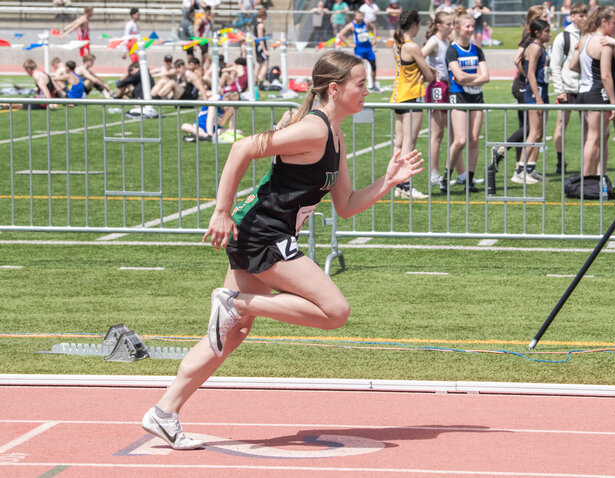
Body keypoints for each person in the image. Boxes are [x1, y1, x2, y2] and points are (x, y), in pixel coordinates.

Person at [140, 50, 423, 450]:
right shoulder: (314, 130)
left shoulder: (336, 136)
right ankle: (241, 302)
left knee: (230, 332)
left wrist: (388, 181)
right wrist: (221, 211)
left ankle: (164, 411)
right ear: (335, 88)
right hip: (262, 233)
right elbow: (242, 149)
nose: (367, 90)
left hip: (262, 234)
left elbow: (346, 205)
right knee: (334, 311)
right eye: (361, 84)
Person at [572, 5, 615, 195]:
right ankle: (591, 181)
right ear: (603, 21)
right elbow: (606, 76)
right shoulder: (604, 43)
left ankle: (597, 178)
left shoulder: (585, 39)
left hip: (584, 91)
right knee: (602, 138)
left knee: (597, 138)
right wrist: (613, 102)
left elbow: (573, 66)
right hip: (601, 92)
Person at [489, 6, 546, 185]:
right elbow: (517, 59)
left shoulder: (538, 39)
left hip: (530, 85)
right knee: (530, 128)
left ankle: (526, 167)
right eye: (544, 16)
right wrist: (527, 75)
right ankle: (506, 153)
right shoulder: (529, 38)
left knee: (532, 128)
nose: (547, 18)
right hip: (523, 86)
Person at [390, 9, 436, 200]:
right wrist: (427, 70)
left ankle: (397, 183)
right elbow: (430, 75)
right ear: (415, 25)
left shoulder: (397, 44)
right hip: (411, 97)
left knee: (399, 144)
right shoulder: (412, 46)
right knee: (409, 143)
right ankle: (406, 185)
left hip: (398, 96)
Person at [442, 10, 490, 193]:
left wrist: (471, 78)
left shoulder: (477, 50)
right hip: (458, 96)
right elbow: (459, 77)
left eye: (472, 26)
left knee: (474, 140)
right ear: (457, 28)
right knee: (460, 140)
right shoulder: (452, 50)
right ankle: (447, 176)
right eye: (467, 26)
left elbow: (487, 77)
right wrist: (476, 76)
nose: (471, 29)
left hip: (476, 97)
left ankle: (469, 180)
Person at [550, 1, 588, 175]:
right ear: (572, 16)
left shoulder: (590, 35)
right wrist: (559, 89)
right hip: (567, 88)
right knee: (561, 125)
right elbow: (555, 65)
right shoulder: (563, 37)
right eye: (580, 15)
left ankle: (587, 162)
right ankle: (559, 161)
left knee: (588, 127)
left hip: (585, 89)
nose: (584, 18)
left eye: (586, 15)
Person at [515, 19, 551, 184]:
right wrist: (537, 97)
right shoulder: (534, 48)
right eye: (547, 32)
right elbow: (530, 74)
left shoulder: (540, 47)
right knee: (534, 132)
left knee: (540, 132)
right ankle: (519, 171)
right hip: (535, 94)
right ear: (537, 32)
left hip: (542, 91)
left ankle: (530, 168)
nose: (549, 35)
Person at [422, 11, 452, 188]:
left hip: (448, 87)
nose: (451, 26)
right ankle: (434, 173)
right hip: (438, 88)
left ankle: (461, 173)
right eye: (448, 24)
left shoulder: (446, 41)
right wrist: (431, 71)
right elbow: (419, 54)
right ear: (439, 25)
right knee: (438, 134)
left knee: (455, 133)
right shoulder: (434, 40)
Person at [338, 10, 379, 92]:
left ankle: (374, 85)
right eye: (359, 15)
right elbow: (341, 35)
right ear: (355, 17)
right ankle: (358, 85)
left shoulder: (366, 23)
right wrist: (348, 44)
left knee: (373, 66)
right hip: (359, 50)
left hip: (368, 48)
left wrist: (374, 39)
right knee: (358, 68)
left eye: (361, 15)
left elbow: (373, 27)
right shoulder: (351, 25)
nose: (361, 17)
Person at [254, 7, 270, 88]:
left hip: (258, 46)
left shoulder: (256, 23)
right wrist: (265, 50)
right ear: (263, 15)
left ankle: (255, 81)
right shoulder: (260, 25)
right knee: (265, 64)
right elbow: (260, 38)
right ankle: (260, 81)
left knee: (258, 64)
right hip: (260, 46)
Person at [194, 6, 214, 71]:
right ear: (205, 12)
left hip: (206, 40)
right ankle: (202, 68)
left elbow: (212, 29)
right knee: (206, 55)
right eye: (208, 11)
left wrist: (212, 20)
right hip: (201, 40)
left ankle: (201, 68)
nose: (208, 13)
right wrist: (196, 41)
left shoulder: (209, 21)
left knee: (203, 56)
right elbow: (196, 30)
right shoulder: (201, 20)